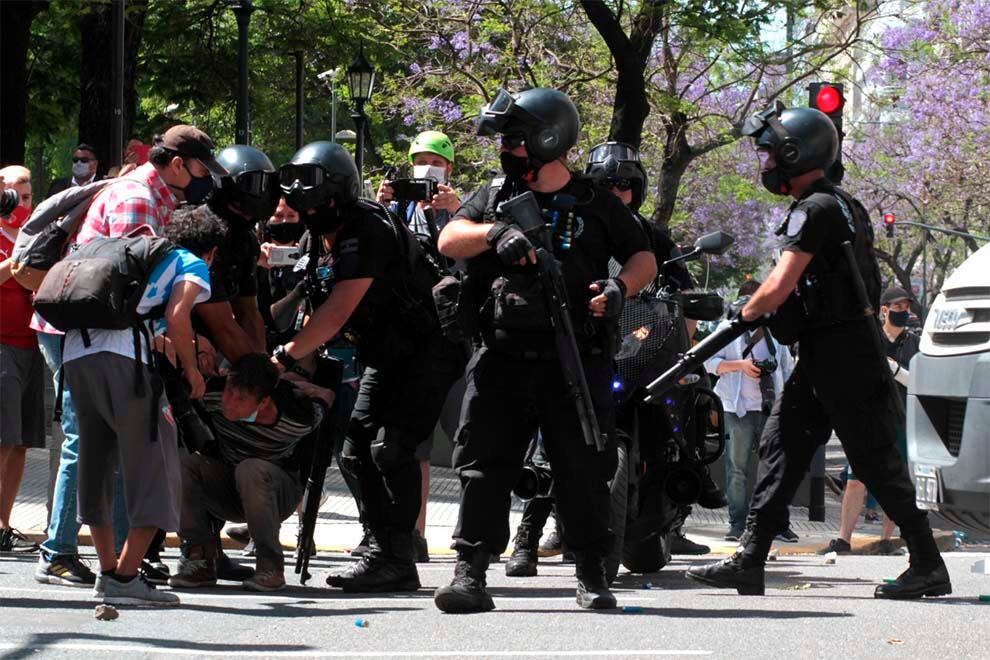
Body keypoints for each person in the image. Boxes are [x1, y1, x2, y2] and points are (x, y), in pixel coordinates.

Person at [686, 102, 950, 599]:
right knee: (780, 450)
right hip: (831, 352)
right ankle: (750, 558)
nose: (763, 164)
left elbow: (780, 285)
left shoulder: (815, 209)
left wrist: (742, 315)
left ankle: (929, 564)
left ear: (795, 152)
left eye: (768, 153)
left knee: (873, 461)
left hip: (843, 354)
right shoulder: (845, 204)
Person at [433, 88, 657, 612]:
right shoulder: (492, 194)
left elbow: (642, 255)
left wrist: (621, 288)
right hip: (501, 359)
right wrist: (495, 234)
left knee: (583, 467)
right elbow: (450, 239)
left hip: (574, 359)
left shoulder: (596, 202)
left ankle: (591, 574)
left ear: (547, 139)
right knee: (483, 467)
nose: (505, 150)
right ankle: (470, 573)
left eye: (513, 140)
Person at [34, 124, 226, 588]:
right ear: (177, 164)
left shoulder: (152, 196)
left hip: (86, 335)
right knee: (103, 445)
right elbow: (124, 280)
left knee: (102, 447)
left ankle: (116, 562)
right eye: (200, 167)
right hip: (104, 335)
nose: (203, 177)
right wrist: (167, 341)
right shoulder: (139, 197)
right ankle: (66, 551)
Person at [274, 140, 463, 593]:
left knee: (391, 448)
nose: (309, 212)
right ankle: (385, 548)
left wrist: (284, 355)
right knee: (357, 448)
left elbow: (338, 310)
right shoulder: (323, 233)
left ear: (337, 195)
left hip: (427, 349)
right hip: (385, 351)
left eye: (317, 202)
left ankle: (397, 554)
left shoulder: (367, 227)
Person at [62, 204, 225, 606]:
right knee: (157, 465)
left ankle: (107, 570)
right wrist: (192, 371)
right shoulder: (190, 263)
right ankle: (128, 574)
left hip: (76, 355)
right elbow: (176, 315)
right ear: (212, 250)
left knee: (96, 460)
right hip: (125, 362)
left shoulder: (136, 254)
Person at [169, 354, 332, 592]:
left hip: (276, 494)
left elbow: (328, 396)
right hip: (228, 487)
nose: (229, 403)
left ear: (264, 402)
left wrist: (309, 387)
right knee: (181, 462)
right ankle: (199, 558)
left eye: (241, 398)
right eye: (228, 392)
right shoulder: (213, 396)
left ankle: (270, 567)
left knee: (251, 468)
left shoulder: (297, 415)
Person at [377, 129, 462, 560]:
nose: (425, 171)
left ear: (449, 169)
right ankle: (414, 533)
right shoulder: (396, 210)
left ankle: (472, 537)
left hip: (452, 339)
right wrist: (381, 207)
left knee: (468, 441)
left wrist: (453, 211)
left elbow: (463, 259)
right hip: (409, 335)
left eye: (435, 163)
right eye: (418, 163)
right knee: (412, 446)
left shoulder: (461, 211)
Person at [819, 285, 920, 556]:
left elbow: (920, 381)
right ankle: (843, 540)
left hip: (901, 420)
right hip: (868, 418)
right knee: (855, 480)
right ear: (883, 310)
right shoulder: (870, 338)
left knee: (896, 480)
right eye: (897, 307)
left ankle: (887, 538)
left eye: (905, 307)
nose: (902, 311)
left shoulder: (915, 343)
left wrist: (896, 370)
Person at [706, 280, 795, 542]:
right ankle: (737, 523)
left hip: (770, 408)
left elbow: (786, 369)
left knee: (776, 469)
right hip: (737, 410)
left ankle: (778, 523)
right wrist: (740, 366)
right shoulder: (727, 330)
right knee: (737, 470)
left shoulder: (774, 331)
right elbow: (709, 364)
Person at [0, 166, 44, 553]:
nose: (21, 203)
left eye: (27, 196)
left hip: (33, 346)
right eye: (14, 195)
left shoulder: (35, 231)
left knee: (19, 444)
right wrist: (17, 257)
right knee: (2, 440)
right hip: (2, 347)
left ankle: (4, 523)